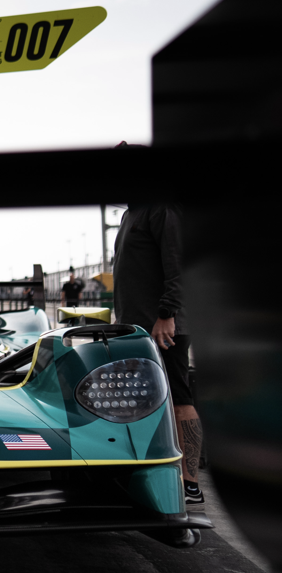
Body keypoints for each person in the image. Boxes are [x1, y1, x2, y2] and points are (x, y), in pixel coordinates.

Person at [113, 205, 204, 505]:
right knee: (138, 403)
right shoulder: (130, 214)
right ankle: (147, 473)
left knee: (178, 397)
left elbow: (179, 265)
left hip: (164, 327)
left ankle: (189, 483)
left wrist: (167, 313)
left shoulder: (161, 207)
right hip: (134, 329)